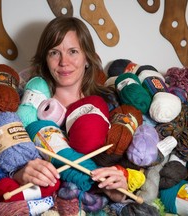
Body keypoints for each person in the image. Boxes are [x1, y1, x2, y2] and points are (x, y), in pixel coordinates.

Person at [13, 16, 127, 202]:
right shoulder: (31, 107)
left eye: (73, 51)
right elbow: (7, 156)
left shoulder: (110, 103)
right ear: (45, 60)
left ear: (87, 58)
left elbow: (124, 163)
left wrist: (118, 188)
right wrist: (19, 173)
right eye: (54, 53)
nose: (63, 62)